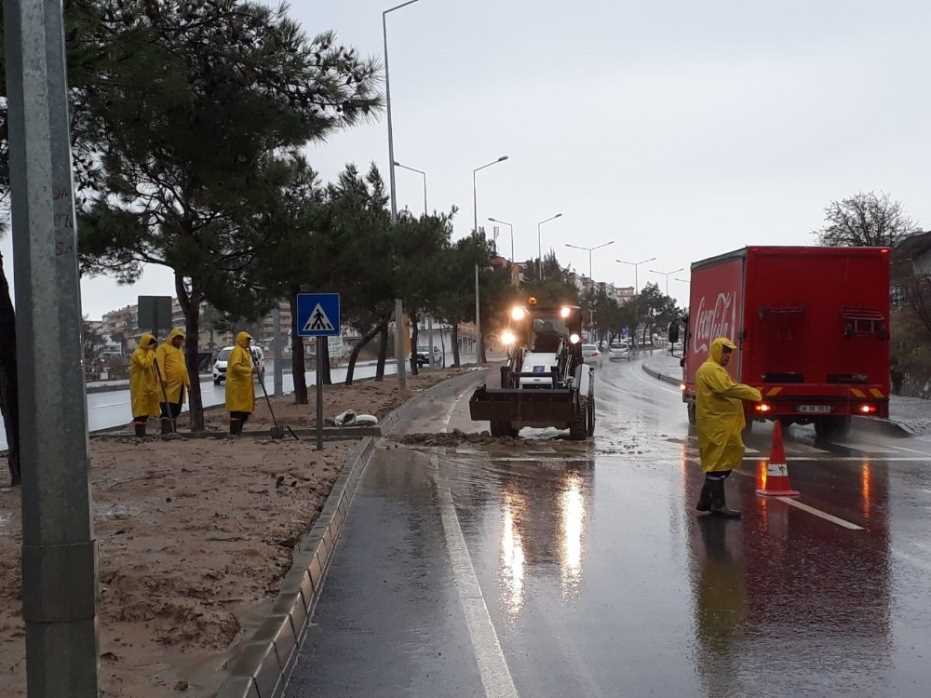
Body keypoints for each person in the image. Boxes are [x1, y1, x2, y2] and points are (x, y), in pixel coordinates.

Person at [695, 337, 762, 519]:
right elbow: (727, 389)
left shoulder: (715, 369)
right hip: (717, 425)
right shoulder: (711, 369)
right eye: (725, 352)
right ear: (716, 350)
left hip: (722, 424)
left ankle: (705, 500)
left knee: (721, 462)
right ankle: (717, 504)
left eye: (729, 353)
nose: (727, 356)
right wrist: (754, 393)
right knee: (719, 464)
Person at [155, 327, 191, 434]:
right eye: (177, 338)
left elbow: (183, 368)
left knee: (176, 409)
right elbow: (159, 365)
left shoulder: (180, 351)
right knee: (167, 409)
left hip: (179, 386)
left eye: (181, 339)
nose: (179, 341)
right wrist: (162, 378)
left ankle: (173, 431)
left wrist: (188, 382)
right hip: (167, 385)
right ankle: (166, 432)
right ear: (172, 338)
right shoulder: (163, 348)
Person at [129, 333, 160, 436]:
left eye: (153, 343)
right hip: (139, 385)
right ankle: (140, 434)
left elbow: (153, 369)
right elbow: (145, 364)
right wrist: (151, 353)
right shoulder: (138, 353)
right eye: (150, 343)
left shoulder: (149, 353)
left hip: (148, 386)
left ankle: (142, 434)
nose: (151, 345)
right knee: (140, 411)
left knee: (146, 411)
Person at [225, 331, 256, 434]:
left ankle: (238, 432)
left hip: (243, 387)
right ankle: (234, 433)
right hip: (237, 387)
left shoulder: (245, 351)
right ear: (241, 340)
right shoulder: (237, 351)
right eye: (247, 340)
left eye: (249, 340)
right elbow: (235, 366)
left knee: (244, 412)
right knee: (237, 412)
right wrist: (249, 370)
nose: (248, 342)